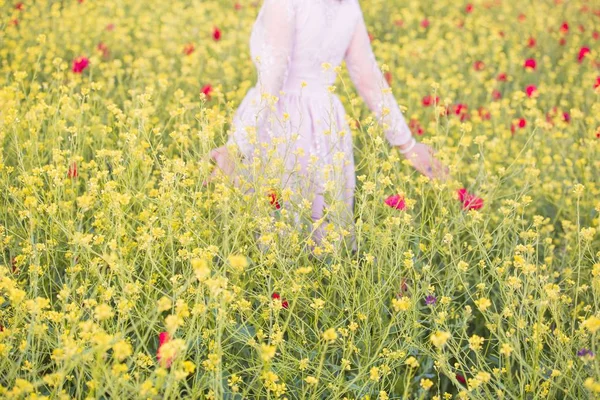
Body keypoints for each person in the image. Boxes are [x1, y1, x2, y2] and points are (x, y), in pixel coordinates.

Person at [204, 0, 449, 257]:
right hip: (326, 123)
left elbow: (274, 74)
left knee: (271, 240)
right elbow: (368, 79)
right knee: (320, 240)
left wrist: (238, 146)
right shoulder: (348, 5)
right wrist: (407, 145)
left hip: (282, 121)